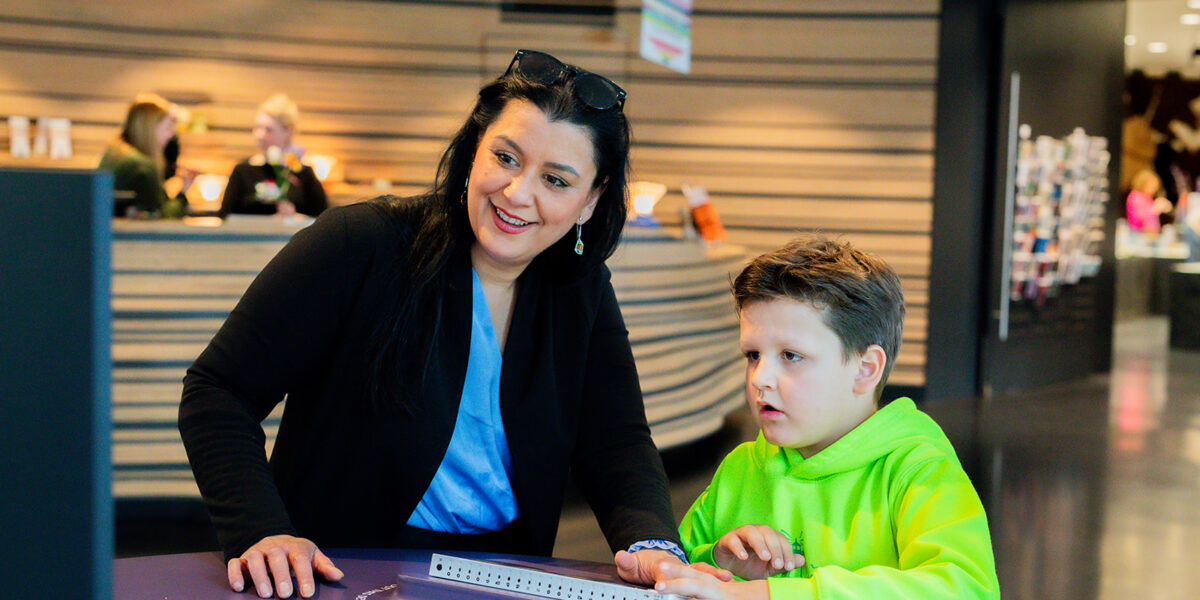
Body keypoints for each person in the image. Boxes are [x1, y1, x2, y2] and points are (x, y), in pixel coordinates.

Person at [179, 49, 719, 599]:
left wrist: (656, 544)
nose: (517, 193)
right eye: (506, 158)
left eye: (556, 180)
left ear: (591, 200)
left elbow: (616, 438)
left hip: (502, 575)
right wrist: (262, 530)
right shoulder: (358, 245)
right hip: (337, 572)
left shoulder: (579, 286)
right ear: (473, 152)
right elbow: (218, 392)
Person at [655, 236, 1001, 600]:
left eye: (791, 355)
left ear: (865, 369)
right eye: (753, 354)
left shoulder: (918, 471)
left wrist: (773, 595)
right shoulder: (740, 469)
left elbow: (965, 589)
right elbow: (675, 568)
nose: (760, 378)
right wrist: (720, 560)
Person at [219, 93, 328, 218]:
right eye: (258, 128)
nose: (260, 135)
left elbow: (322, 219)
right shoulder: (242, 171)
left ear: (288, 131)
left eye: (268, 130)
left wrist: (295, 217)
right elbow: (225, 217)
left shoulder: (303, 174)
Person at [98, 93, 193, 217]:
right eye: (168, 128)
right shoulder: (141, 166)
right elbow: (161, 219)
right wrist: (183, 193)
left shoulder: (114, 153)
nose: (171, 135)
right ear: (150, 128)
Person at [1126, 169, 1174, 235]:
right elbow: (1140, 217)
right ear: (1144, 183)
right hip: (1139, 234)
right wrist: (1155, 208)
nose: (1155, 190)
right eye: (1153, 186)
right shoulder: (1135, 196)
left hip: (1150, 234)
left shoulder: (1148, 198)